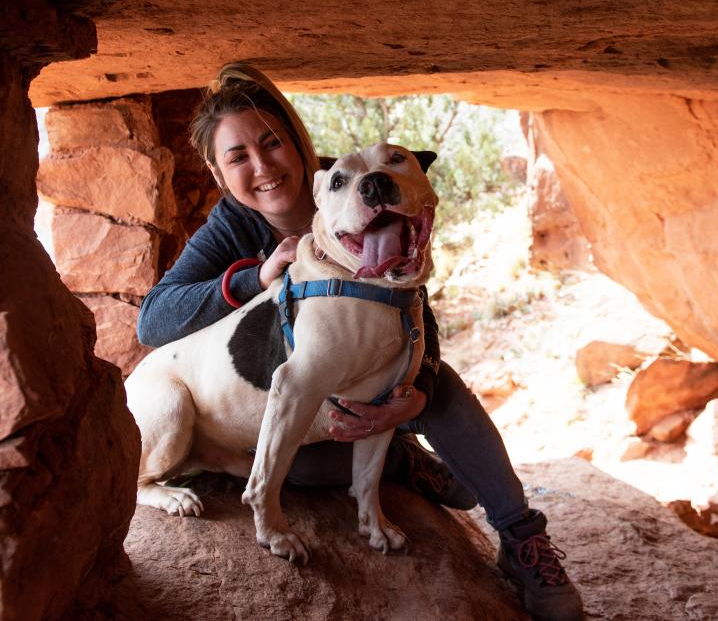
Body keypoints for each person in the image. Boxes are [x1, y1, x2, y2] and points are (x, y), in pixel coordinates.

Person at [136, 63, 583, 621]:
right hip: (304, 398)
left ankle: (522, 539)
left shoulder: (359, 182)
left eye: (272, 143)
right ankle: (398, 460)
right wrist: (256, 273)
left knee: (442, 395)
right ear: (217, 171)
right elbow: (153, 319)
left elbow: (412, 306)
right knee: (300, 468)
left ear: (298, 143)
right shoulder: (232, 225)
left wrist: (416, 390)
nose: (262, 167)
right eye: (237, 157)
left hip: (379, 375)